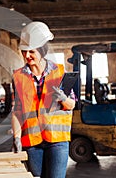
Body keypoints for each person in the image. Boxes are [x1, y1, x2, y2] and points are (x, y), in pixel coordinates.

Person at [11, 21, 76, 178]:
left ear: (42, 50)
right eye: (24, 51)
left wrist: (63, 98)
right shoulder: (18, 76)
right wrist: (16, 138)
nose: (27, 56)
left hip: (57, 140)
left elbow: (71, 105)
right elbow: (17, 111)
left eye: (31, 51)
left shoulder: (59, 72)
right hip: (32, 142)